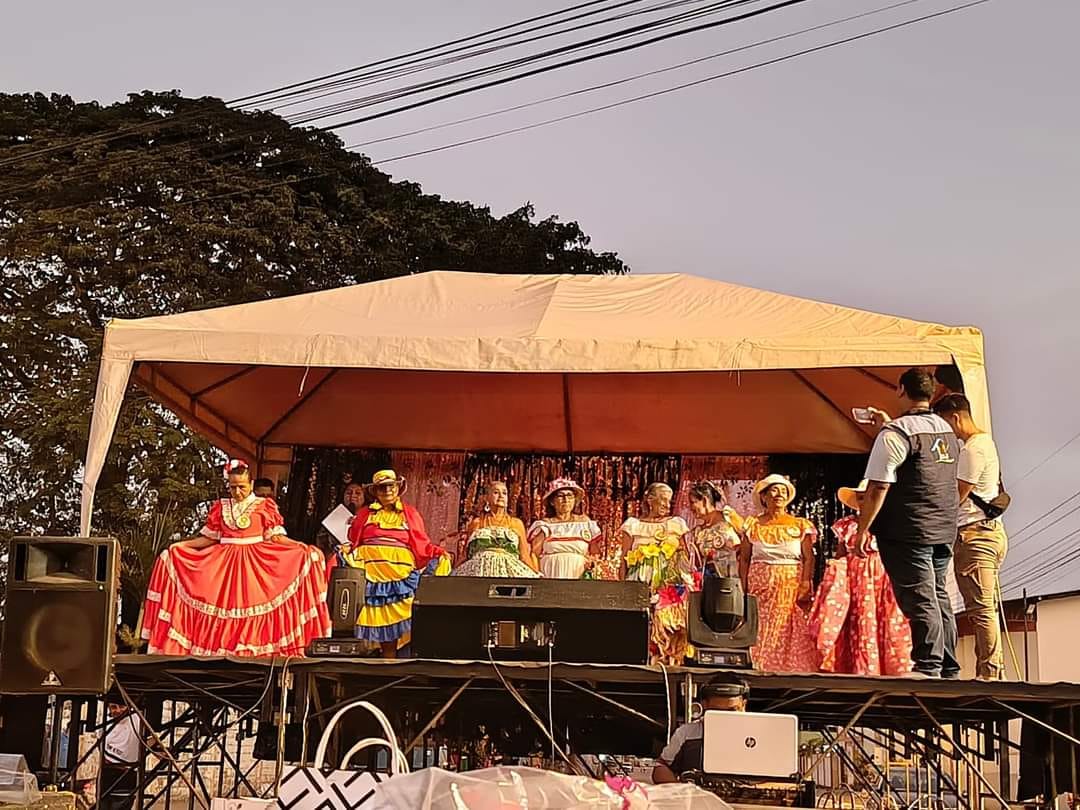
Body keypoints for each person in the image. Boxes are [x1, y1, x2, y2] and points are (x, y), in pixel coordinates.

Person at [141, 459, 331, 656]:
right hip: (223, 566)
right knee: (219, 605)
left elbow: (275, 537)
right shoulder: (221, 507)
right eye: (233, 487)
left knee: (253, 604)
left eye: (242, 486)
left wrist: (300, 547)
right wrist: (182, 546)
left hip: (255, 565)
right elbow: (209, 538)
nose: (237, 491)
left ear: (251, 484)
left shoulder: (264, 506)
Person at [855, 368, 961, 678]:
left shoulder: (896, 433)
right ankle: (948, 666)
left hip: (908, 528)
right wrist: (886, 425)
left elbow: (878, 486)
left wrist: (863, 529)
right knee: (938, 594)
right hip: (942, 526)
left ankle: (928, 665)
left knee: (920, 596)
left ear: (901, 390)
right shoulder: (945, 429)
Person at [934, 393, 1009, 680]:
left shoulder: (972, 449)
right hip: (989, 532)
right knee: (984, 607)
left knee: (981, 609)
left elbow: (958, 495)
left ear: (955, 417)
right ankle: (992, 670)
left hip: (975, 536)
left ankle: (990, 673)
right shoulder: (986, 443)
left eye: (946, 423)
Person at [341, 469, 451, 658]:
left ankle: (391, 664)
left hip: (400, 576)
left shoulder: (410, 514)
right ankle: (376, 663)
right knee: (372, 621)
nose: (387, 491)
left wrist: (438, 553)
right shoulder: (365, 514)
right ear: (375, 491)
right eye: (382, 488)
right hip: (372, 574)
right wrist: (347, 550)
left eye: (391, 486)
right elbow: (355, 539)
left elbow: (421, 542)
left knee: (399, 620)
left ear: (398, 488)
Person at [808, 481, 913, 676]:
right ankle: (864, 668)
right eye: (861, 498)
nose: (864, 501)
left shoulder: (889, 523)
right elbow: (841, 553)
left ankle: (893, 668)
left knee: (889, 619)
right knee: (861, 619)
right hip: (856, 579)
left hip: (885, 575)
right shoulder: (847, 525)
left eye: (868, 497)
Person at [737, 474, 818, 673]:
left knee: (788, 624)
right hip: (760, 584)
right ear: (764, 496)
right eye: (774, 490)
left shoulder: (800, 525)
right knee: (761, 624)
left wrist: (806, 582)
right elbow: (744, 558)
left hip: (790, 585)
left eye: (783, 491)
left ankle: (790, 669)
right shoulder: (753, 525)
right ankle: (760, 666)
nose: (779, 495)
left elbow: (808, 558)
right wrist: (742, 585)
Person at [619, 483, 693, 665]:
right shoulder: (633, 525)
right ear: (650, 500)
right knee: (643, 623)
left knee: (668, 624)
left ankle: (669, 662)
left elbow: (686, 555)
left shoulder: (676, 524)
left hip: (669, 584)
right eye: (663, 500)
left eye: (670, 500)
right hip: (639, 583)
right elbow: (624, 559)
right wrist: (622, 588)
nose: (667, 505)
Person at [652, 673, 749, 784]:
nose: (725, 716)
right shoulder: (687, 733)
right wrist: (680, 789)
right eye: (717, 711)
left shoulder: (760, 734)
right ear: (704, 705)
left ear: (743, 705)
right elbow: (661, 766)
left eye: (732, 710)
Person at [453, 481, 538, 578]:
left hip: (507, 572)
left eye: (504, 493)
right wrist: (451, 574)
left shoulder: (516, 523)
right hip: (479, 571)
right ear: (487, 498)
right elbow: (465, 554)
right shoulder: (477, 523)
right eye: (496, 492)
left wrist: (537, 575)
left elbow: (524, 556)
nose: (501, 496)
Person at [528, 479, 602, 579]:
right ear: (552, 501)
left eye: (569, 495)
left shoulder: (585, 523)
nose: (566, 499)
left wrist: (591, 565)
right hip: (550, 574)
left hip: (578, 573)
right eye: (560, 495)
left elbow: (595, 553)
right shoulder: (545, 525)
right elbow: (534, 554)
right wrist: (537, 577)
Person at [687, 480, 743, 578]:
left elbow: (747, 538)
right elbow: (698, 563)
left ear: (705, 501)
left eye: (693, 502)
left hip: (734, 577)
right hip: (711, 581)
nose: (690, 508)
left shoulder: (728, 516)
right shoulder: (698, 532)